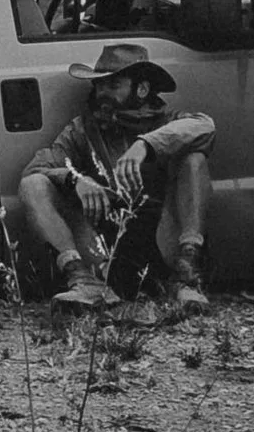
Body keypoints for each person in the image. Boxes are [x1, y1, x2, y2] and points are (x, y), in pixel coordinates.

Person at [16, 45, 215, 313]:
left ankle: (185, 277)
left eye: (114, 85)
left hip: (163, 239)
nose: (102, 94)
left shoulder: (169, 122)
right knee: (33, 185)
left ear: (142, 90)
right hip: (104, 248)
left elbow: (205, 126)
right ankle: (84, 282)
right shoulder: (82, 130)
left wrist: (145, 145)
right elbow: (37, 168)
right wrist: (76, 180)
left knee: (194, 161)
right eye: (99, 86)